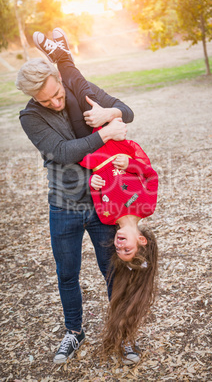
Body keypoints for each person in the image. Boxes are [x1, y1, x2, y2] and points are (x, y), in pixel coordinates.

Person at [32, 28, 159, 363]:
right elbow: (63, 152)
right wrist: (108, 135)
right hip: (64, 206)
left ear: (57, 80)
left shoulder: (76, 90)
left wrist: (110, 115)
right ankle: (74, 331)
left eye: (57, 93)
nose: (55, 103)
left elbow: (127, 112)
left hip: (96, 202)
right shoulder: (30, 115)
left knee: (113, 271)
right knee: (67, 272)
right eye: (47, 100)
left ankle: (122, 334)